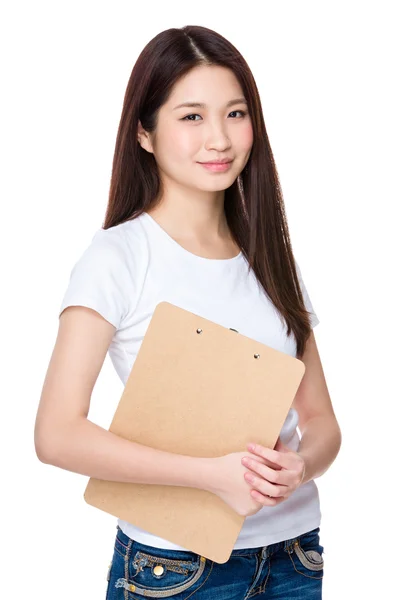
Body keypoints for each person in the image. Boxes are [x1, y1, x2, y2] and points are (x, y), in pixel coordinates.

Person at [34, 24, 341, 600]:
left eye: (235, 113)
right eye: (192, 117)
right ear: (145, 134)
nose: (220, 139)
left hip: (294, 556)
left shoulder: (272, 257)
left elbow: (322, 422)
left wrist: (300, 466)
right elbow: (55, 434)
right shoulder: (118, 257)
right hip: (177, 568)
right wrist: (211, 477)